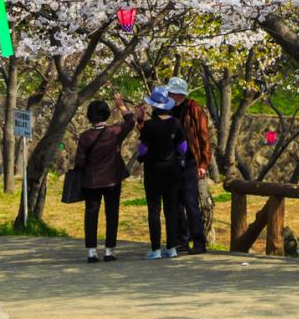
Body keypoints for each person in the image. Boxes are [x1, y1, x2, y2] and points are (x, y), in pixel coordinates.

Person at [72, 92, 135, 262]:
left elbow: (79, 162)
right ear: (106, 114)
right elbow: (131, 122)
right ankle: (109, 250)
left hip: (91, 182)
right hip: (112, 180)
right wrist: (121, 105)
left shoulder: (85, 137)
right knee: (112, 213)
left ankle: (91, 252)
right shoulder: (114, 131)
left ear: (89, 117)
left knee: (91, 214)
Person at [137, 85, 186, 259]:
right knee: (171, 209)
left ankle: (156, 249)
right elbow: (183, 147)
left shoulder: (149, 126)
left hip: (153, 170)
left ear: (154, 106)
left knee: (154, 210)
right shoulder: (176, 123)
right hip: (172, 170)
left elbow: (142, 150)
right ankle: (171, 247)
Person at [165, 76, 213, 254]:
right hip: (173, 160)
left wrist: (203, 163)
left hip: (191, 160)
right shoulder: (168, 109)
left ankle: (199, 241)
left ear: (178, 94)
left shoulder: (194, 109)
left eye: (171, 92)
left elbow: (203, 136)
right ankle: (181, 239)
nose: (168, 94)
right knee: (176, 201)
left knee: (190, 201)